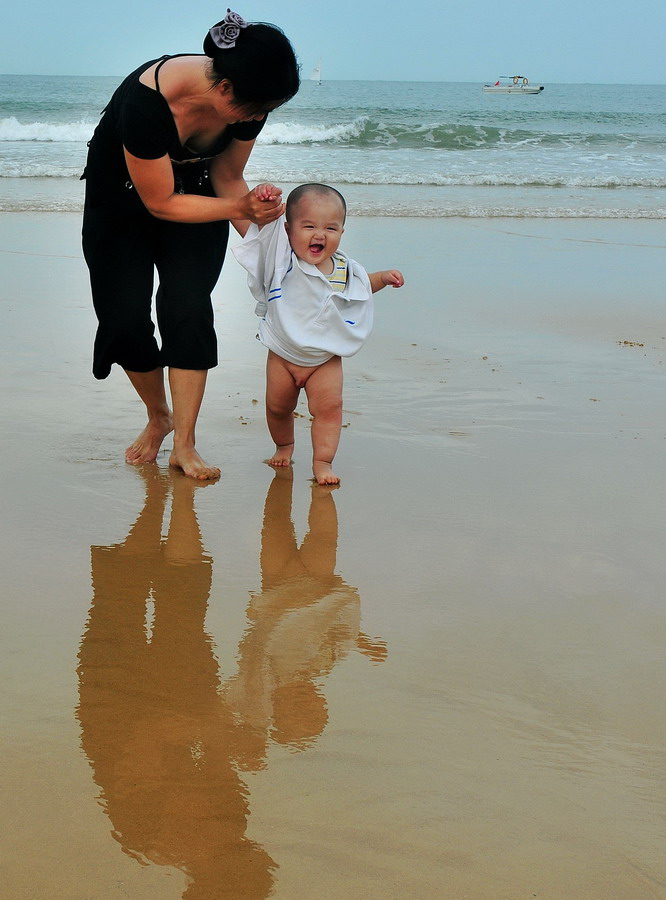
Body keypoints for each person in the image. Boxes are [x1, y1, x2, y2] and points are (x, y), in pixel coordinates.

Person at [81, 10, 300, 480]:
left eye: (268, 110)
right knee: (123, 320)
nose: (259, 118)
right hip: (120, 201)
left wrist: (276, 252)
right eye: (255, 108)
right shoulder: (145, 104)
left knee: (187, 307)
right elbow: (160, 201)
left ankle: (184, 442)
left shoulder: (245, 99)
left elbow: (225, 176)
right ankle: (159, 415)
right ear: (224, 90)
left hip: (198, 194)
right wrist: (241, 209)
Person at [233, 182, 404, 485]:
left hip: (324, 359)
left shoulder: (345, 269)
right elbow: (255, 233)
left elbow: (363, 286)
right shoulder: (281, 262)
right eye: (308, 226)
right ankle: (284, 445)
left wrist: (384, 279)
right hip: (283, 356)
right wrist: (263, 200)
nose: (319, 234)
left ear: (341, 233)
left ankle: (323, 463)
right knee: (277, 408)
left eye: (331, 228)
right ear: (288, 230)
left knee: (329, 410)